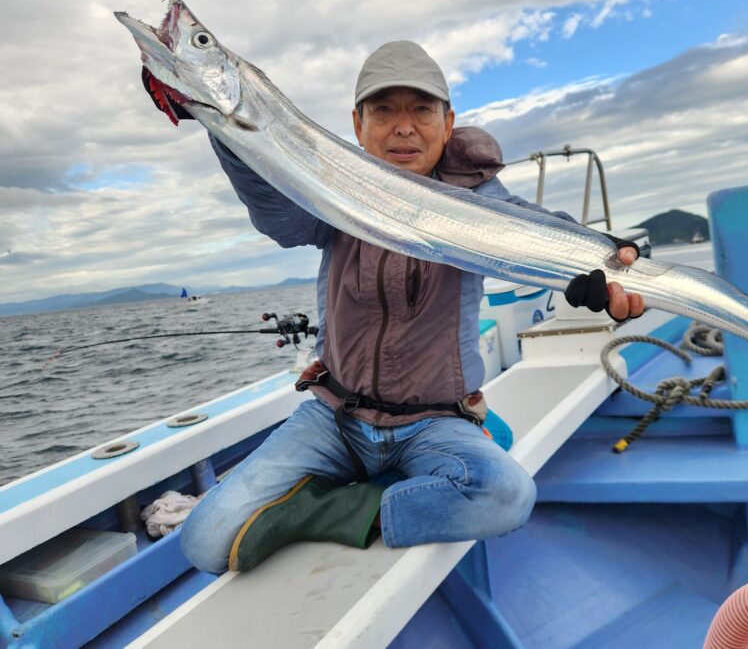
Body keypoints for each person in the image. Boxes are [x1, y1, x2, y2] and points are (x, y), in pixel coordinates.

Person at [160, 41, 643, 573]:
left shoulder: (478, 200)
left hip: (435, 421)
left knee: (506, 496)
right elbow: (281, 218)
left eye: (421, 109)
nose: (403, 127)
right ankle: (359, 496)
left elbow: (537, 234)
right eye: (383, 110)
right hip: (334, 418)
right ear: (359, 124)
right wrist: (222, 127)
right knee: (203, 540)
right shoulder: (334, 193)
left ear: (448, 121)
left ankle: (323, 509)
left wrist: (603, 262)